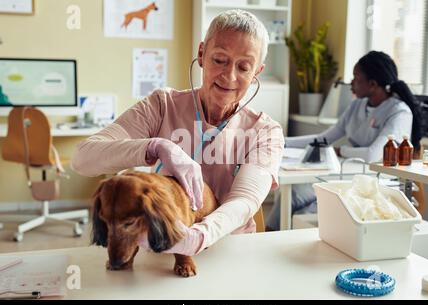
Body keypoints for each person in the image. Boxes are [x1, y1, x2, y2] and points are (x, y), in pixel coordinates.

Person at [72, 10, 284, 255]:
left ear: (257, 71)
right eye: (219, 60)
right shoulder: (162, 106)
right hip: (164, 246)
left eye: (244, 67)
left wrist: (197, 237)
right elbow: (82, 159)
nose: (229, 76)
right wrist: (157, 147)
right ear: (202, 54)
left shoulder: (265, 131)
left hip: (229, 249)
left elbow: (244, 200)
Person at [265, 50, 423, 231]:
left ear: (372, 84)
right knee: (291, 195)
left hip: (374, 180)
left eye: (356, 78)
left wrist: (340, 151)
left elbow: (373, 155)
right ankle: (265, 240)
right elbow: (323, 139)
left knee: (303, 211)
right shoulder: (357, 105)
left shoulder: (399, 112)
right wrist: (281, 140)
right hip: (348, 172)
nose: (351, 83)